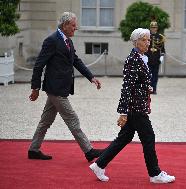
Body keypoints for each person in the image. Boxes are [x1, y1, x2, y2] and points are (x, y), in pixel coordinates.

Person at [89, 28, 175, 184]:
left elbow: (137, 82)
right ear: (136, 42)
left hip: (137, 105)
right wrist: (123, 112)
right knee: (149, 137)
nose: (148, 42)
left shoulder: (141, 57)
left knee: (124, 137)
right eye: (144, 40)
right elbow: (127, 87)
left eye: (148, 40)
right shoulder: (133, 59)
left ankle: (99, 164)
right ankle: (155, 174)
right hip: (135, 107)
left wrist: (146, 86)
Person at [28, 12, 104, 161]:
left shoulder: (67, 40)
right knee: (72, 118)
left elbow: (75, 60)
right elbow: (38, 65)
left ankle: (33, 149)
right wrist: (35, 88)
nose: (76, 28)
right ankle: (88, 151)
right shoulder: (51, 41)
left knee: (45, 121)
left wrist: (91, 77)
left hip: (59, 88)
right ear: (65, 25)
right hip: (56, 89)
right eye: (73, 25)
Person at [145, 20, 165, 95]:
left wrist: (161, 57)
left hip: (156, 59)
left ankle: (154, 89)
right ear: (150, 28)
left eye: (155, 27)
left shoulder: (160, 37)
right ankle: (149, 89)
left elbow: (162, 49)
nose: (153, 28)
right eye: (152, 27)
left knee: (155, 76)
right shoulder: (146, 36)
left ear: (157, 28)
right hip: (148, 59)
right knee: (148, 76)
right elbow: (144, 48)